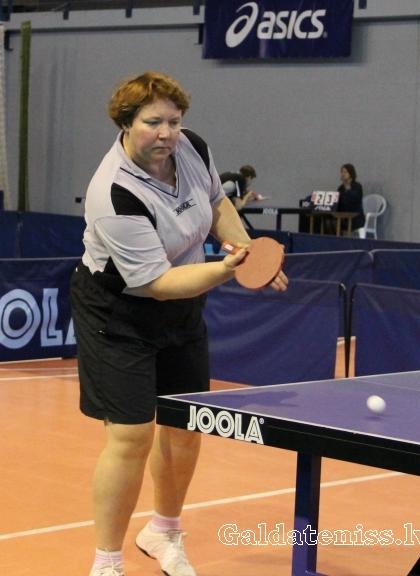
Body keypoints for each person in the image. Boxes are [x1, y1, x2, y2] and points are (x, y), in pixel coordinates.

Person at [70, 71, 288, 576]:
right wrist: (229, 269)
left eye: (174, 120)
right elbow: (156, 283)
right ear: (126, 124)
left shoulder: (192, 148)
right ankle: (106, 561)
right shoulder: (114, 192)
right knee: (131, 435)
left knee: (185, 426)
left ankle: (164, 532)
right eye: (153, 122)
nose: (166, 133)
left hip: (183, 302)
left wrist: (246, 249)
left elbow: (216, 203)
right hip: (119, 310)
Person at [336, 163, 364, 231]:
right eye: (342, 172)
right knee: (326, 221)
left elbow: (353, 200)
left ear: (351, 173)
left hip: (355, 218)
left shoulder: (357, 186)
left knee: (334, 223)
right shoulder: (340, 188)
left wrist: (348, 189)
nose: (343, 174)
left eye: (345, 172)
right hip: (342, 217)